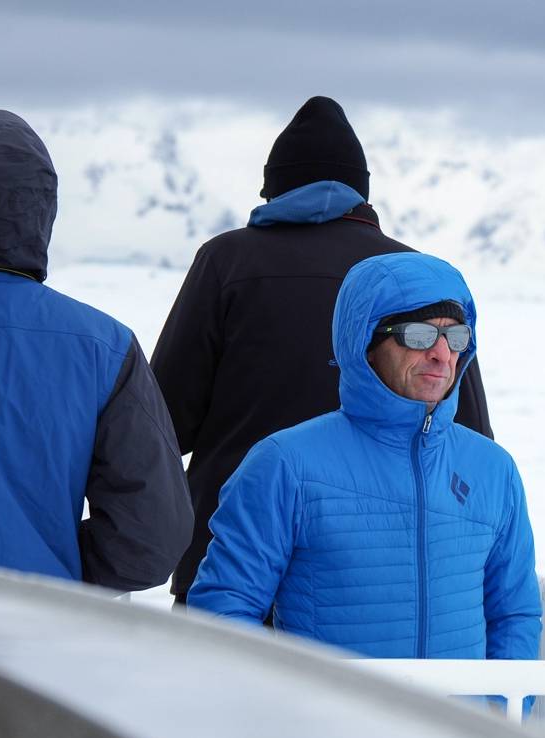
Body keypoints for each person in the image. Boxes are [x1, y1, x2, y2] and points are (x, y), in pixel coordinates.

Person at [151, 96, 494, 605]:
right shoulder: (415, 277)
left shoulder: (226, 261)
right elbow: (467, 435)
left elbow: (163, 422)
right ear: (362, 192)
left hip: (231, 564)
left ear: (274, 187)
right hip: (381, 568)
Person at [187, 252, 541, 664]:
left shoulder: (493, 470)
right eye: (419, 335)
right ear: (366, 344)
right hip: (329, 726)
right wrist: (288, 713)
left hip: (452, 727)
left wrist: (495, 711)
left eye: (456, 337)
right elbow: (225, 610)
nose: (442, 355)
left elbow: (515, 614)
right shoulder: (286, 465)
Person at [0, 109, 192, 590]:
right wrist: (62, 571)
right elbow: (152, 535)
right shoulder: (104, 347)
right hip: (34, 634)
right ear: (41, 214)